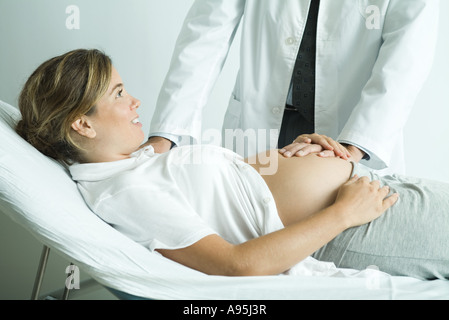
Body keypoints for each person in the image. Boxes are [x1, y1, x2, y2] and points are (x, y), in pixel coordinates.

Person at [16, 49, 449, 280]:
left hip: (363, 191)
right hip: (355, 225)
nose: (135, 101)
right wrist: (343, 213)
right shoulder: (123, 192)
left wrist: (296, 150)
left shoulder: (136, 163)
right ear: (82, 124)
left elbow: (227, 193)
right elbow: (236, 264)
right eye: (117, 93)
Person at [148, 0, 440, 175]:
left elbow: (408, 54)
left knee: (340, 250)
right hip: (261, 124)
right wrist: (167, 132)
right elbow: (207, 31)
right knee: (250, 236)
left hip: (349, 129)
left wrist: (356, 145)